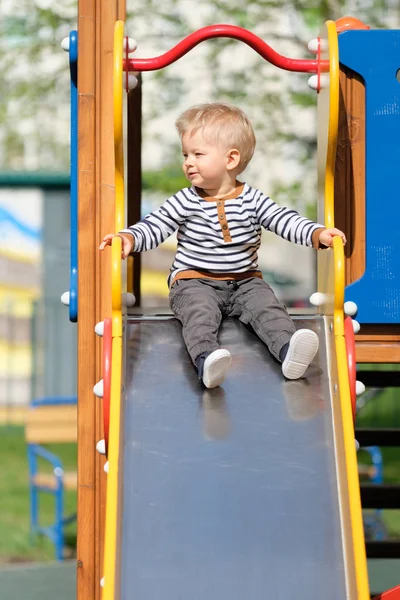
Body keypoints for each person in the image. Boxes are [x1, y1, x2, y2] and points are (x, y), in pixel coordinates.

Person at [100, 102, 346, 389]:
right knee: (198, 314)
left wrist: (318, 234)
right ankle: (206, 359)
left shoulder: (253, 199)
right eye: (185, 155)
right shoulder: (186, 200)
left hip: (244, 282)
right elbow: (156, 224)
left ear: (230, 160)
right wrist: (129, 238)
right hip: (194, 281)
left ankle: (287, 350)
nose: (188, 162)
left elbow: (284, 220)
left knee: (268, 308)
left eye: (198, 154)